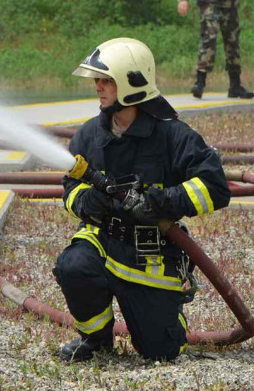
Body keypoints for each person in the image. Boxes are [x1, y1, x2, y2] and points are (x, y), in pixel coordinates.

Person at [54, 38, 231, 362]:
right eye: (97, 80)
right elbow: (70, 188)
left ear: (131, 84)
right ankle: (96, 340)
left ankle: (167, 322)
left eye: (107, 80)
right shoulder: (88, 136)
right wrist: (86, 201)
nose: (98, 87)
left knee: (161, 351)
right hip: (102, 239)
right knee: (74, 265)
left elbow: (216, 187)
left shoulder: (173, 136)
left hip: (152, 249)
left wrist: (164, 201)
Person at [177, 0, 253, 100]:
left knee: (232, 40)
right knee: (209, 38)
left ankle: (235, 85)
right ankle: (200, 82)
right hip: (208, 1)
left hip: (229, 2)